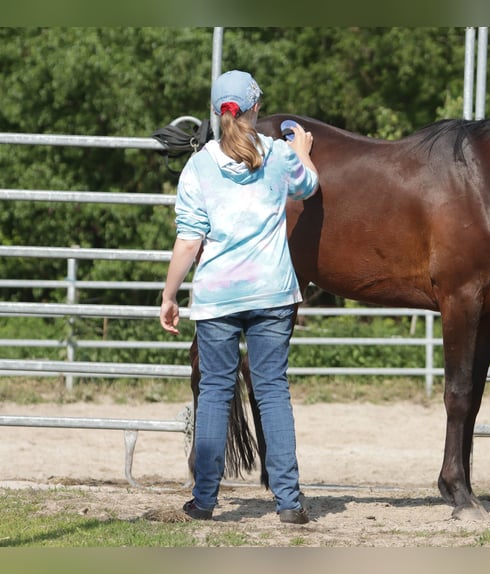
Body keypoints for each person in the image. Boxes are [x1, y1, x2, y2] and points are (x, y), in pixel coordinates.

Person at [159, 70, 319, 522]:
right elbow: (308, 187)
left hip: (216, 297)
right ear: (255, 110)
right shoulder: (277, 155)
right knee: (272, 392)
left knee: (213, 392)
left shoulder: (198, 166)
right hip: (272, 292)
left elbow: (189, 240)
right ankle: (289, 502)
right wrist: (302, 152)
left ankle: (204, 501)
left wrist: (170, 294)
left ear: (215, 112)